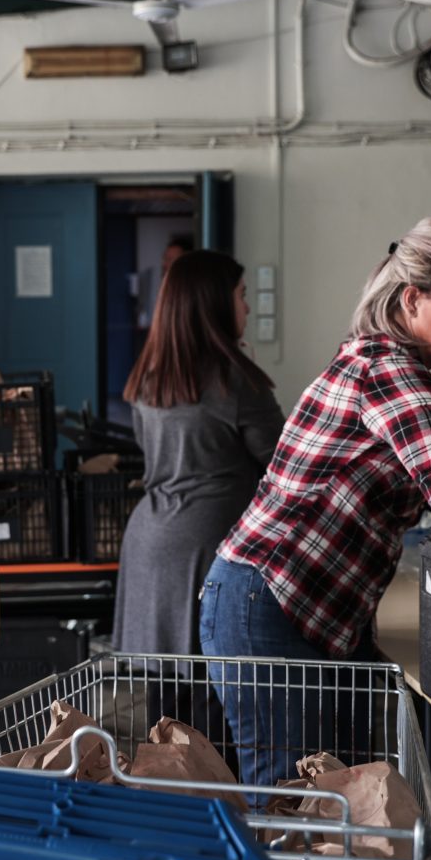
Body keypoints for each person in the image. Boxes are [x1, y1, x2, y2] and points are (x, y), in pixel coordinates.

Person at [200, 216, 431, 785]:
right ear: (413, 298)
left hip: (281, 603)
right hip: (271, 606)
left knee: (336, 794)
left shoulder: (374, 359)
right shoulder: (396, 377)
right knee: (296, 808)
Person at [114, 250, 283, 657]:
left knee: (164, 696)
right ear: (214, 305)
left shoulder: (148, 379)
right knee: (213, 694)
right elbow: (285, 464)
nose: (245, 306)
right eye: (240, 295)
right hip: (209, 542)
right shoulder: (235, 381)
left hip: (149, 540)